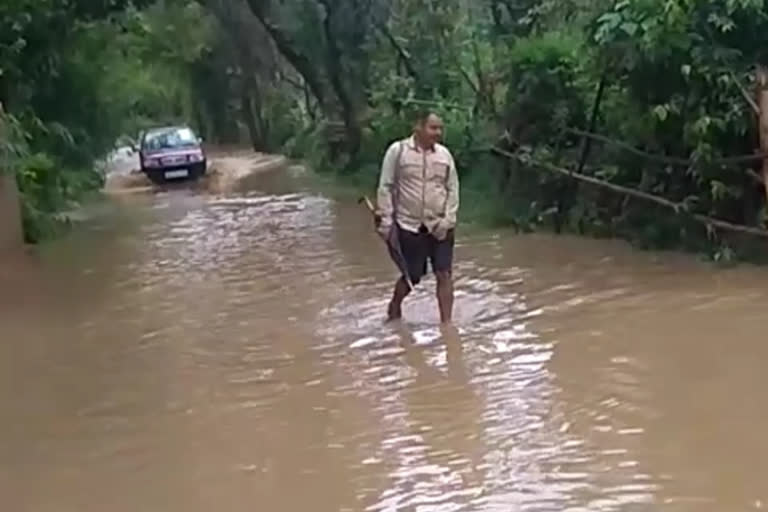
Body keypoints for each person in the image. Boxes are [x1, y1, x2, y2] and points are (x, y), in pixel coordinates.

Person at [376, 111, 459, 324]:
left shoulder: (444, 155)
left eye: (440, 128)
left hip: (440, 225)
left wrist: (448, 220)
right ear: (418, 127)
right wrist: (386, 222)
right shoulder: (398, 151)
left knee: (444, 274)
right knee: (413, 275)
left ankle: (447, 325)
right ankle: (395, 306)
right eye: (433, 128)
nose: (438, 133)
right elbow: (386, 187)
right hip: (409, 225)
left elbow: (452, 189)